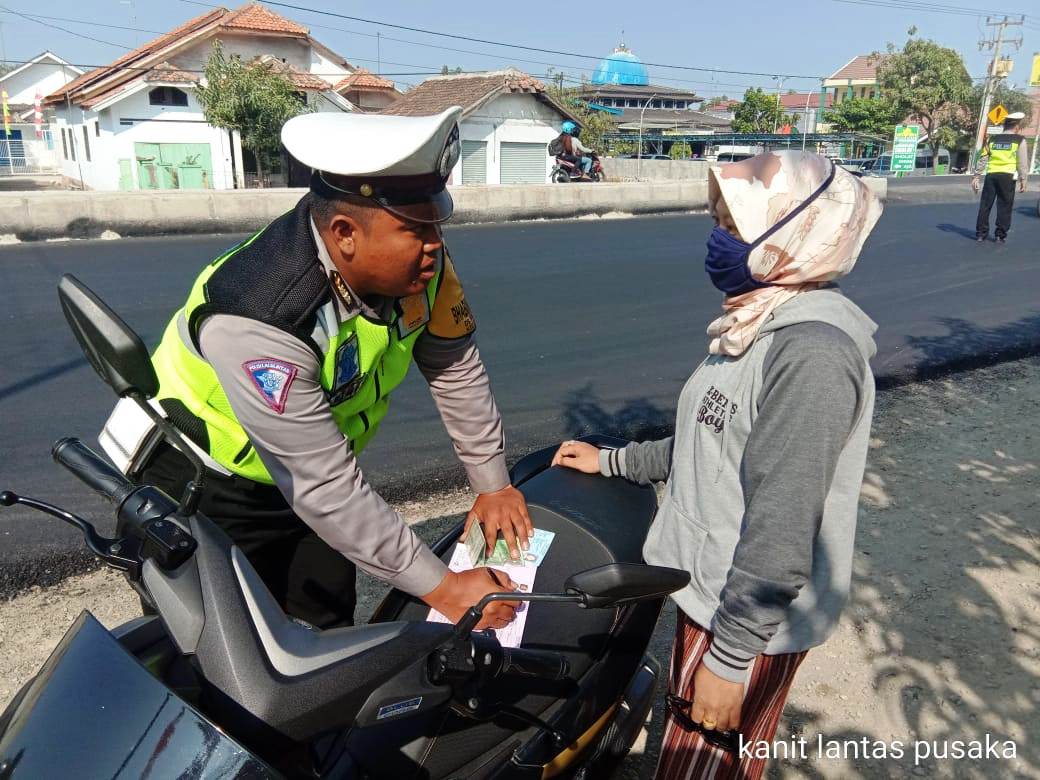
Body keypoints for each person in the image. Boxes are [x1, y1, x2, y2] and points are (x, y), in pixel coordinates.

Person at [98, 107, 528, 631]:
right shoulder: (264, 316)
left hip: (304, 474)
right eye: (417, 229)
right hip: (203, 488)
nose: (435, 244)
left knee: (324, 629)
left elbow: (452, 362)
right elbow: (325, 487)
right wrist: (448, 589)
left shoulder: (423, 265)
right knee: (217, 646)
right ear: (345, 232)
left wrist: (493, 484)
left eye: (436, 223)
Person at [552, 151, 882, 779]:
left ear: (791, 234)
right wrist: (616, 461)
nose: (717, 239)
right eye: (719, 222)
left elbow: (783, 521)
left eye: (735, 226)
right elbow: (714, 443)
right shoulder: (757, 323)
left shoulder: (810, 353)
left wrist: (730, 662)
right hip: (708, 583)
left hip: (742, 612)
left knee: (700, 765)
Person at [973, 111, 1030, 243]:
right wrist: (1023, 180)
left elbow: (983, 158)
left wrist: (976, 175)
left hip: (991, 175)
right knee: (1004, 206)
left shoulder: (992, 139)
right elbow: (1022, 162)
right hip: (1007, 177)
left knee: (985, 205)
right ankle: (1000, 235)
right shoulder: (1019, 140)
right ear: (1016, 126)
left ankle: (981, 234)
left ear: (1004, 126)